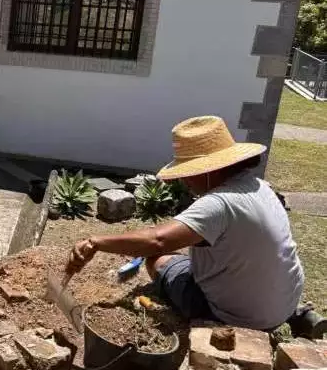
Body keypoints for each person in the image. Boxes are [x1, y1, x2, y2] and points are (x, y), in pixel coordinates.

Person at [65, 116, 305, 331]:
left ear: (208, 171)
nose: (185, 180)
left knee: (157, 260)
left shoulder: (218, 204)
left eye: (188, 172)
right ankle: (302, 316)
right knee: (184, 254)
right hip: (283, 304)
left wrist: (96, 242)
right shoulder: (259, 186)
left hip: (241, 318)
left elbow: (156, 240)